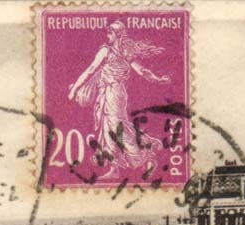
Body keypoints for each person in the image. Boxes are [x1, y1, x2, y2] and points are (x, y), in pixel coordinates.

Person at [67, 21, 170, 181]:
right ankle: (115, 168)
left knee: (116, 127)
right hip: (112, 92)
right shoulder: (123, 52)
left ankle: (146, 157)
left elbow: (91, 70)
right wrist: (157, 79)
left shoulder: (107, 51)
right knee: (108, 128)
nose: (107, 35)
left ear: (117, 34)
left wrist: (74, 90)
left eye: (110, 33)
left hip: (113, 92)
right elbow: (141, 70)